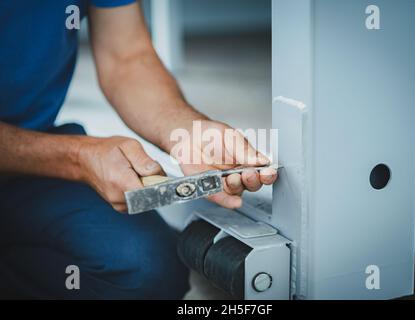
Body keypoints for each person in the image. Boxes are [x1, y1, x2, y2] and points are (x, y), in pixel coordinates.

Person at [0, 1, 278, 299]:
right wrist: (76, 158)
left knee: (147, 271)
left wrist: (187, 131)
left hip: (31, 157)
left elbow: (126, 56)